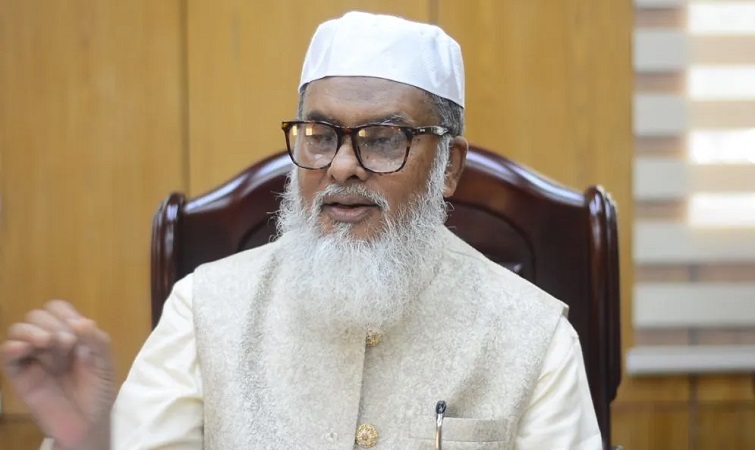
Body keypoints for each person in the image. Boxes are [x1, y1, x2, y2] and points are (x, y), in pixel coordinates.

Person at [1, 11, 602, 450]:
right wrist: (89, 440)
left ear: (448, 167)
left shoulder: (535, 336)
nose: (341, 166)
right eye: (320, 135)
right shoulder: (205, 309)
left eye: (383, 139)